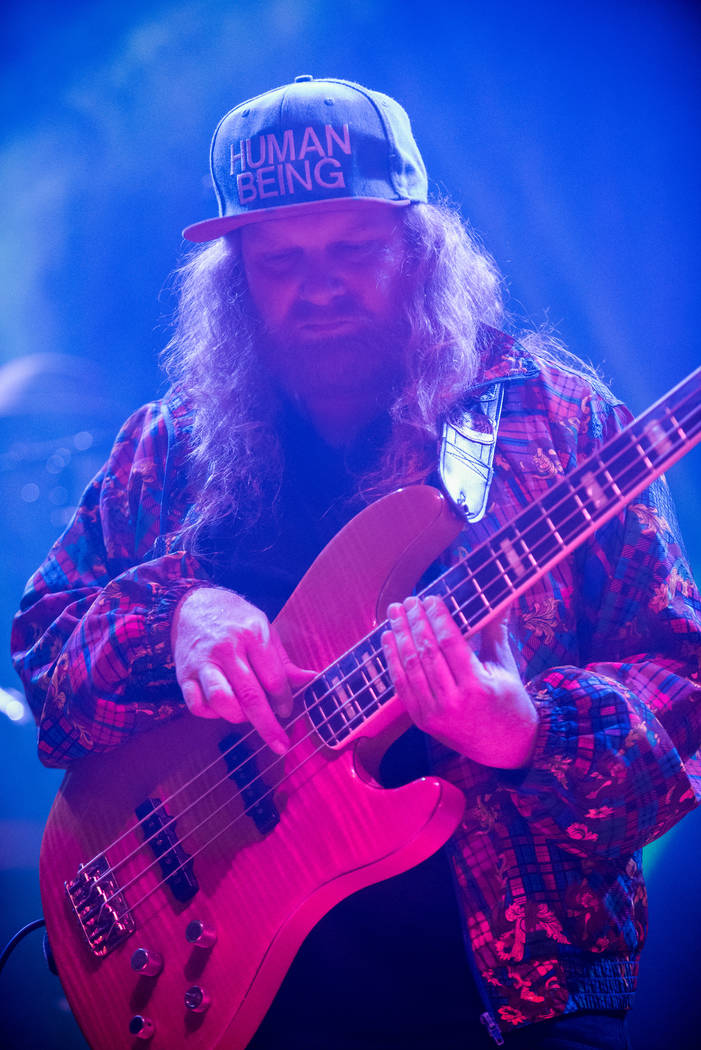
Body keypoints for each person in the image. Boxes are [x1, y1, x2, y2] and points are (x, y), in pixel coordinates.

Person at [11, 76, 701, 1049]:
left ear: (421, 249)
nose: (319, 285)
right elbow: (42, 651)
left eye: (354, 249)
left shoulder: (555, 422)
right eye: (279, 260)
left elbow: (682, 682)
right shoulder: (169, 449)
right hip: (224, 986)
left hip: (515, 1001)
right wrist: (174, 622)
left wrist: (526, 729)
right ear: (234, 280)